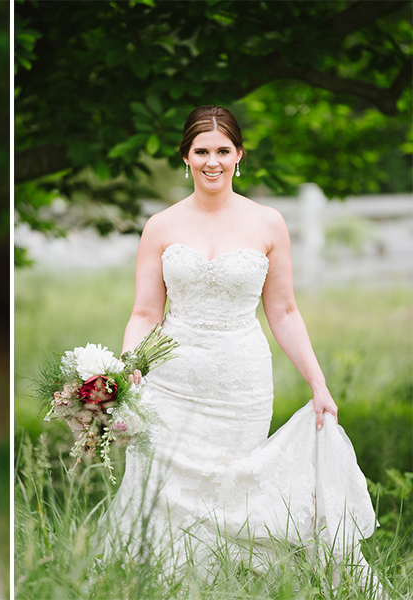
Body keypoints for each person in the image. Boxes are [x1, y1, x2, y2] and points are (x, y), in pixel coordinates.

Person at [100, 106, 380, 591]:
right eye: (201, 151)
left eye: (222, 151)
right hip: (173, 378)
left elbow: (285, 312)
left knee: (232, 490)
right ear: (185, 157)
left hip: (239, 381)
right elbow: (145, 313)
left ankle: (236, 584)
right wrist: (129, 370)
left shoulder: (267, 223)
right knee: (163, 489)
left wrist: (319, 383)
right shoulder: (161, 226)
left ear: (239, 155)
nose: (213, 161)